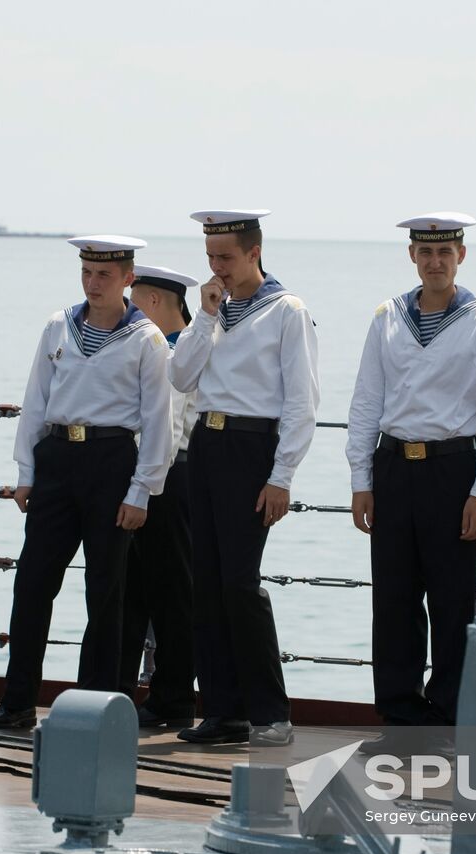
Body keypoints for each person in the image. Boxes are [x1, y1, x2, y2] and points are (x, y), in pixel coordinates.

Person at [0, 236, 171, 730]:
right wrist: (26, 473)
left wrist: (141, 490)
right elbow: (35, 402)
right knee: (33, 583)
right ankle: (17, 700)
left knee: (105, 593)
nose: (93, 283)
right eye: (87, 272)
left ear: (128, 278)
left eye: (104, 275)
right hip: (58, 459)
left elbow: (158, 422)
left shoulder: (146, 339)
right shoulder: (57, 326)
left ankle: (93, 709)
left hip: (112, 463)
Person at [346, 212, 476, 727]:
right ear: (412, 256)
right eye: (426, 252)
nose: (435, 262)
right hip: (393, 466)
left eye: (445, 252)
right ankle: (397, 708)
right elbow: (366, 403)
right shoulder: (387, 318)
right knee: (393, 598)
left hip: (453, 469)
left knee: (452, 601)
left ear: (460, 255)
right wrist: (361, 481)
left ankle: (448, 711)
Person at [169, 209, 319, 747]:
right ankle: (223, 710)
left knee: (240, 583)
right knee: (205, 584)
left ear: (254, 252)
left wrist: (282, 476)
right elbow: (180, 375)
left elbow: (302, 400)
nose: (217, 268)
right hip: (205, 444)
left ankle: (270, 712)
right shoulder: (214, 311)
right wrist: (204, 318)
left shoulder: (286, 311)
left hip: (252, 446)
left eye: (226, 257)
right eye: (210, 257)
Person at [121, 264, 200, 728]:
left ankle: (172, 697)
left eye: (135, 301)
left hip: (171, 481)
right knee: (136, 590)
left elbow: (169, 429)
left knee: (173, 594)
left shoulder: (182, 351)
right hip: (149, 477)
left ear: (151, 302)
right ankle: (131, 689)